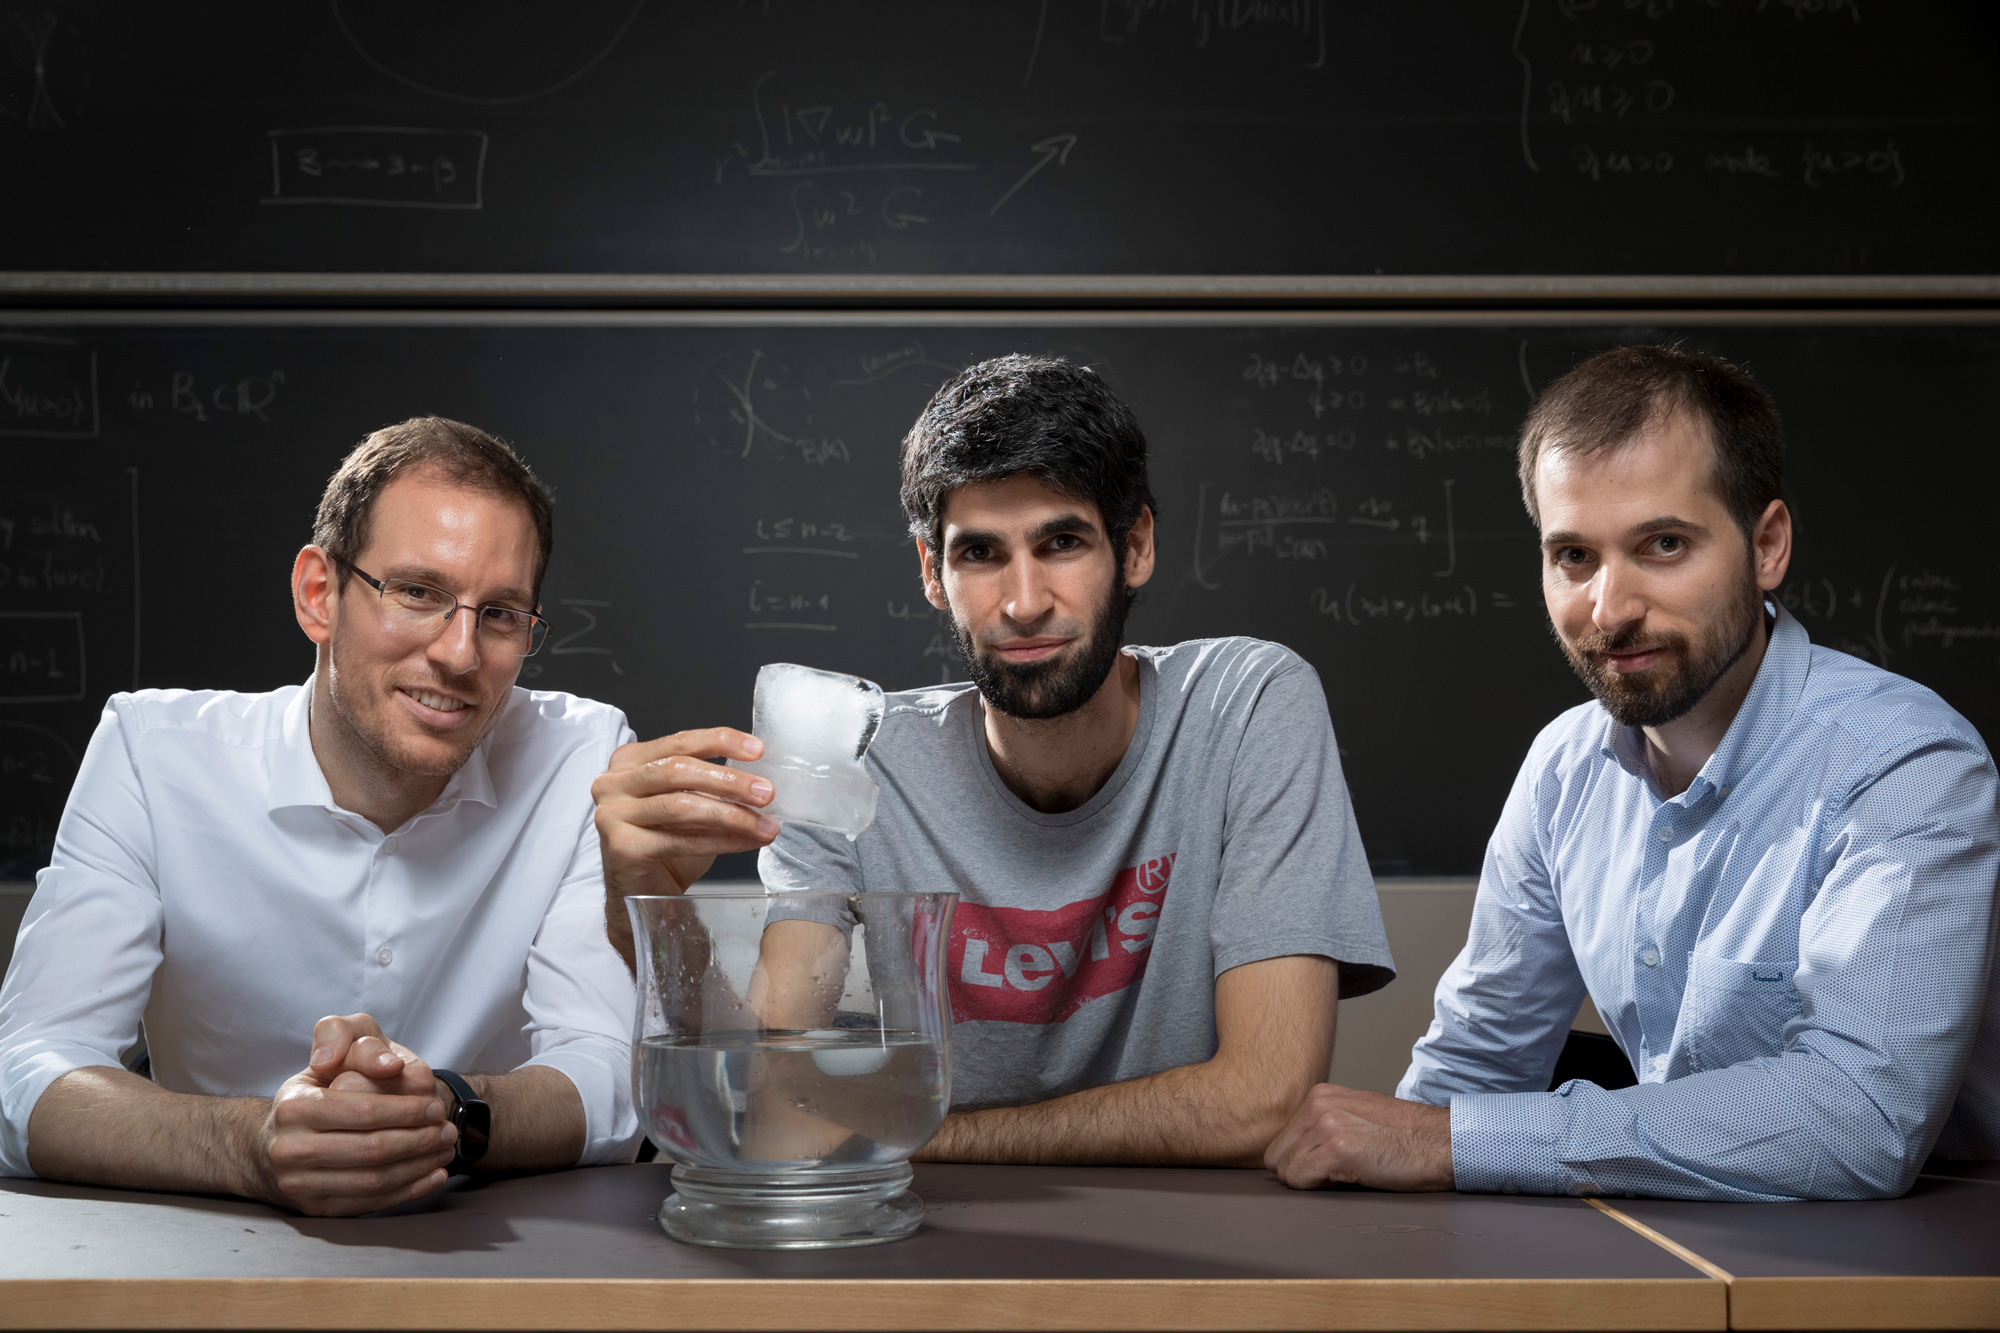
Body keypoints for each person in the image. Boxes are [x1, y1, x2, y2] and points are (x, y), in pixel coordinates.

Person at [594, 354, 1394, 1166]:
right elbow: (774, 1093)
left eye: (1062, 542)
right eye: (979, 553)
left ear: (1138, 545)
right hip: (930, 1252)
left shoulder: (1247, 705)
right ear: (931, 573)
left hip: (1196, 1256)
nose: (1023, 602)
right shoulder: (850, 760)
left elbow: (1268, 1096)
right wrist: (646, 895)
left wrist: (919, 1134)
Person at [1265, 344, 2000, 1201]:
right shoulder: (1563, 769)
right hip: (1689, 1230)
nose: (1609, 610)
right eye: (1574, 556)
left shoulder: (1904, 765)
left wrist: (1453, 1140)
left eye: (1662, 544)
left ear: (1766, 546)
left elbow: (1859, 1119)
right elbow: (1477, 1063)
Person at [0, 418, 641, 1215]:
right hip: (206, 1262)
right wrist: (255, 1142)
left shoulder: (581, 757)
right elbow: (27, 1069)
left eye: (501, 612)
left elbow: (607, 1074)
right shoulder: (151, 753)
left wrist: (441, 1109)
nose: (460, 653)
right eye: (417, 592)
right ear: (318, 595)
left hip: (498, 1258)